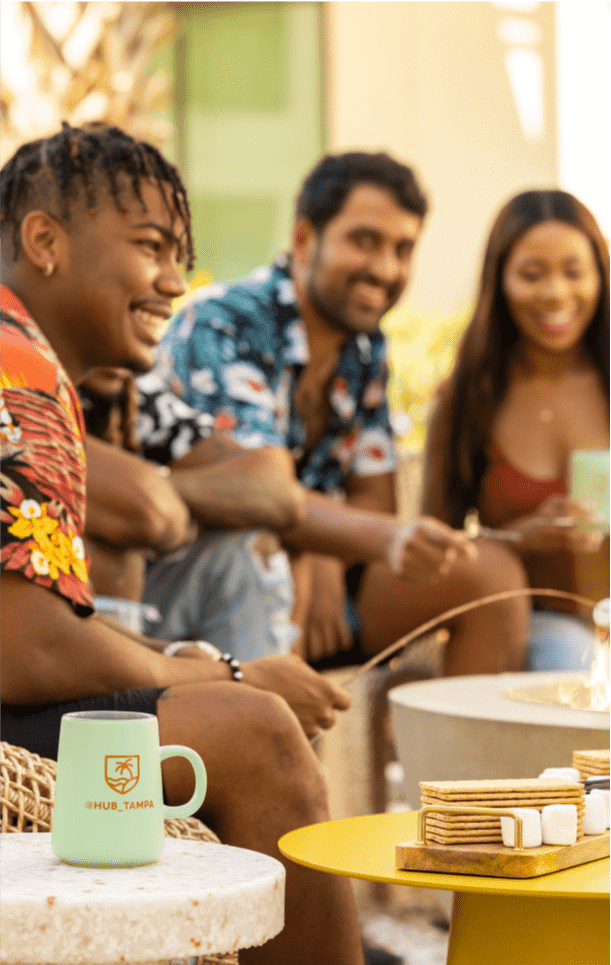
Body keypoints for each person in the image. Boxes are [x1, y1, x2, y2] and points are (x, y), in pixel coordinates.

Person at [0, 122, 368, 965]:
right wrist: (229, 675)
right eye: (151, 247)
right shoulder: (16, 364)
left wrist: (184, 660)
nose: (174, 280)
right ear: (45, 240)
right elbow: (26, 653)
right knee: (256, 736)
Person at [139, 151, 530, 676]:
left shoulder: (365, 346)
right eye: (365, 241)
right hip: (204, 570)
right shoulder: (223, 324)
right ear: (304, 239)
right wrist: (316, 550)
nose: (386, 269)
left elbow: (376, 495)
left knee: (491, 579)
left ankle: (467, 760)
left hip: (321, 562)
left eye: (403, 249)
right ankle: (273, 745)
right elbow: (259, 494)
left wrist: (325, 554)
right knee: (275, 558)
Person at [421, 188, 610, 670]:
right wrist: (518, 538)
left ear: (600, 277)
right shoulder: (465, 401)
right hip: (544, 624)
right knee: (571, 661)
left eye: (574, 272)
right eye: (531, 274)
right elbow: (434, 549)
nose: (555, 293)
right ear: (500, 280)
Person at [80, 366, 301, 659]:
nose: (163, 316)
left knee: (239, 549)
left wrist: (150, 485)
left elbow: (279, 492)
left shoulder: (132, 385)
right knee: (114, 552)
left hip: (142, 606)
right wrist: (139, 498)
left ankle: (243, 697)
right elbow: (156, 517)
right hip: (42, 634)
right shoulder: (18, 376)